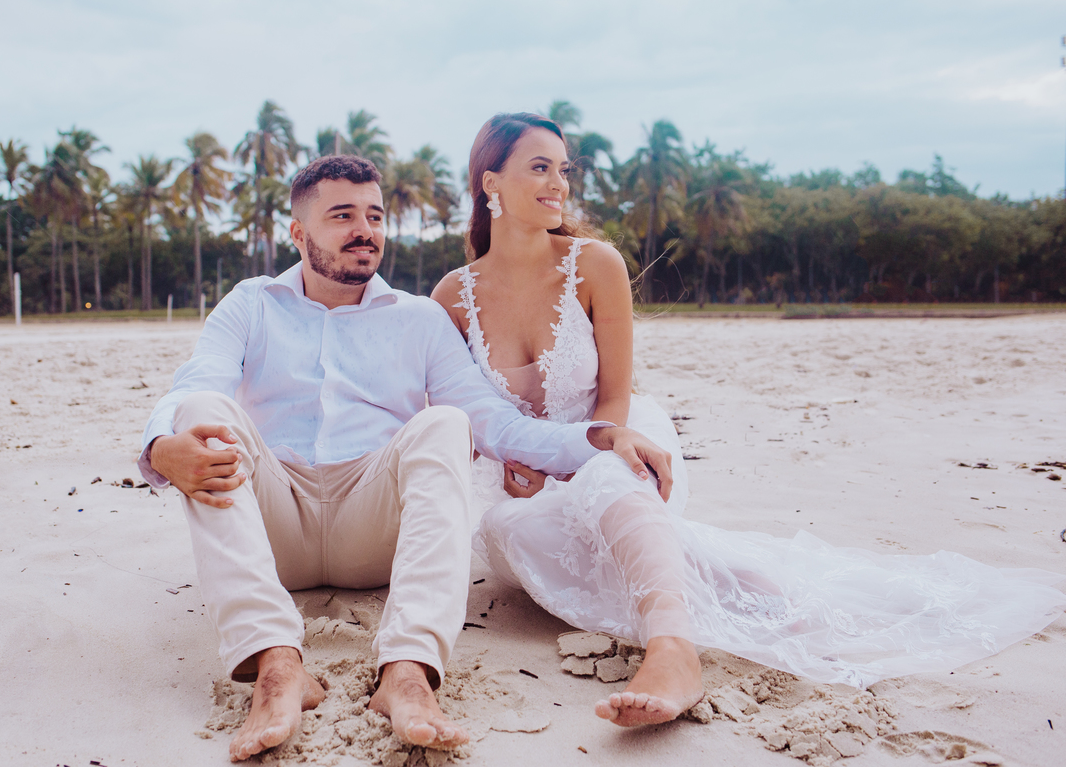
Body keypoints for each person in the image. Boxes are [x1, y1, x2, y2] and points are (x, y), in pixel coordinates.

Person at [431, 112, 1066, 728]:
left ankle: (672, 651)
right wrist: (516, 469)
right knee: (525, 532)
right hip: (526, 489)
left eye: (563, 170)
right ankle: (743, 585)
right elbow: (472, 419)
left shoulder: (595, 265)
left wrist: (587, 460)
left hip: (614, 443)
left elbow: (616, 399)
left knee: (610, 477)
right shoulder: (451, 297)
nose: (558, 185)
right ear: (491, 182)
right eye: (539, 168)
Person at [139, 154, 673, 761]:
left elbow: (491, 421)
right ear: (298, 233)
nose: (364, 229)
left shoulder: (420, 318)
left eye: (374, 215)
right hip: (274, 520)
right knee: (202, 409)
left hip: (373, 529)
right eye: (342, 215)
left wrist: (599, 437)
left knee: (446, 422)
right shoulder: (251, 303)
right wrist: (161, 449)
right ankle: (275, 666)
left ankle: (408, 671)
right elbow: (191, 385)